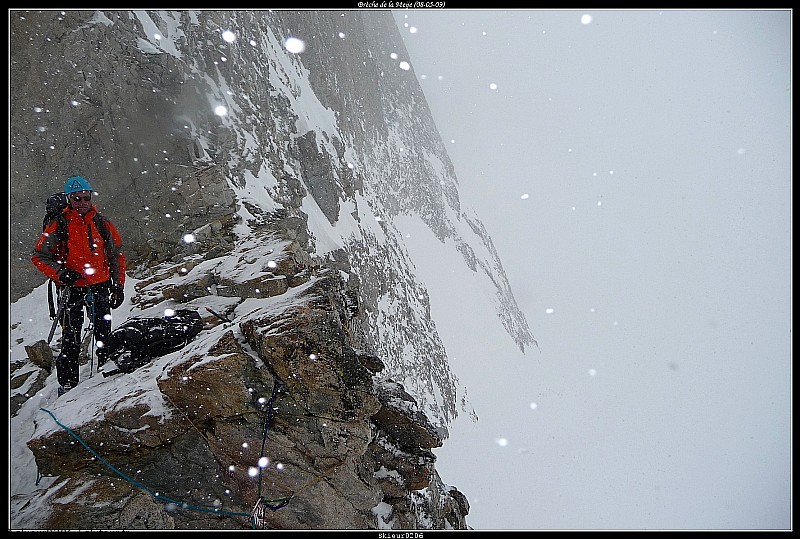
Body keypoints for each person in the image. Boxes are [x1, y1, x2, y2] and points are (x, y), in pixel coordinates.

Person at [32, 176, 126, 396]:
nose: (83, 202)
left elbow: (115, 256)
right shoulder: (60, 224)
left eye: (86, 197)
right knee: (71, 337)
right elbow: (39, 256)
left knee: (103, 331)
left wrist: (118, 286)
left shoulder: (102, 223)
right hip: (71, 287)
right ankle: (67, 385)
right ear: (69, 199)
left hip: (100, 285)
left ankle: (107, 371)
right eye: (77, 198)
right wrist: (61, 273)